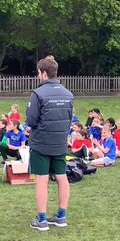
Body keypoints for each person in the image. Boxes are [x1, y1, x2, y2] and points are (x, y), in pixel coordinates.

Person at [26, 56, 74, 231]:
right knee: (62, 177)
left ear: (44, 74)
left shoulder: (38, 94)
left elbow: (31, 120)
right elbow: (69, 119)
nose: (38, 76)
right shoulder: (68, 94)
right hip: (59, 143)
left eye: (38, 73)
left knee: (42, 179)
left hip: (41, 143)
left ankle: (42, 220)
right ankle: (61, 216)